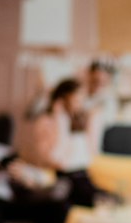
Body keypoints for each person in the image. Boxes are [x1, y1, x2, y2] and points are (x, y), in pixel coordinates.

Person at [33, 77, 99, 207]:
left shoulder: (79, 121)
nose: (80, 105)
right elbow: (56, 159)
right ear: (61, 101)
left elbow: (92, 154)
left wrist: (93, 122)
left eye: (82, 100)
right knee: (99, 201)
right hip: (64, 178)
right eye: (76, 100)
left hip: (83, 176)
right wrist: (60, 120)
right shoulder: (46, 122)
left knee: (114, 200)